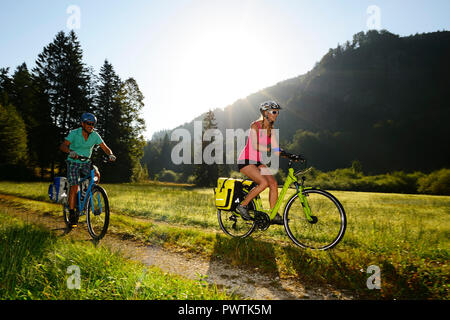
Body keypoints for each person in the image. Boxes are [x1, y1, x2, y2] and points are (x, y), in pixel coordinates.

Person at [59, 112, 116, 227]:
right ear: (82, 124)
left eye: (93, 124)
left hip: (86, 162)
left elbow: (105, 147)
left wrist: (110, 154)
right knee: (74, 185)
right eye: (89, 123)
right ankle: (72, 213)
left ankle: (88, 193)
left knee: (96, 174)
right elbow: (63, 146)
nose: (91, 126)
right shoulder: (74, 133)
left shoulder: (95, 135)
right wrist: (71, 152)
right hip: (73, 162)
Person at [236, 100, 287, 225]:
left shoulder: (271, 130)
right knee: (263, 183)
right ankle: (242, 205)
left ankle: (273, 214)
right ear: (265, 113)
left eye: (277, 113)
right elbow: (255, 145)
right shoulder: (255, 125)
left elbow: (276, 149)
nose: (276, 115)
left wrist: (290, 155)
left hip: (258, 161)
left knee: (274, 183)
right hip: (246, 160)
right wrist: (270, 149)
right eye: (274, 112)